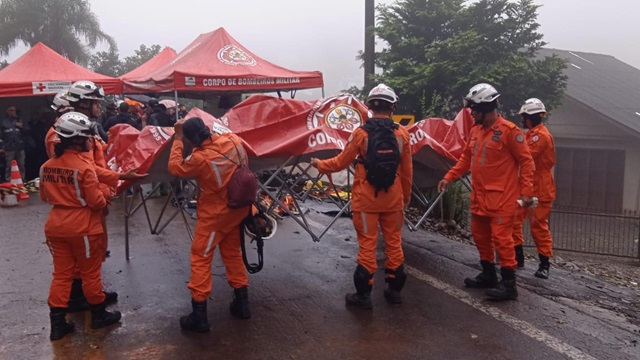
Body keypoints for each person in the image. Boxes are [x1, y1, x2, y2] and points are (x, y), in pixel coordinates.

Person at [45, 84, 147, 312]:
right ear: (83, 103)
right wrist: (99, 198)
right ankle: (86, 300)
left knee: (91, 255)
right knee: (85, 260)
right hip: (84, 205)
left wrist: (114, 181)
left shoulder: (84, 128)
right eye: (95, 103)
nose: (99, 107)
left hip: (91, 201)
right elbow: (78, 172)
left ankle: (88, 296)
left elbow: (91, 166)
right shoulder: (66, 132)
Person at [310, 84, 413, 309]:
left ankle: (364, 296)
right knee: (394, 243)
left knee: (367, 246)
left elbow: (340, 162)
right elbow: (407, 172)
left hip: (366, 201)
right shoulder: (402, 134)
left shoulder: (361, 134)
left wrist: (320, 165)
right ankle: (394, 291)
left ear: (370, 106)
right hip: (393, 199)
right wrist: (405, 197)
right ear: (392, 106)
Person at [437, 83, 535, 301]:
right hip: (480, 197)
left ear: (486, 108)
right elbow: (465, 158)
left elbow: (527, 163)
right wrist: (449, 177)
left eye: (474, 109)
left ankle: (509, 284)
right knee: (480, 237)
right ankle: (489, 273)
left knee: (503, 240)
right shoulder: (476, 131)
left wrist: (527, 192)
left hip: (502, 198)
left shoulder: (510, 132)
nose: (471, 114)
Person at [40, 112, 121, 340]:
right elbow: (96, 202)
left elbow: (46, 197)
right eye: (89, 137)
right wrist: (106, 193)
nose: (92, 140)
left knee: (62, 275)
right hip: (83, 226)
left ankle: (57, 324)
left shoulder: (46, 166)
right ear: (78, 140)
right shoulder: (84, 168)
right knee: (90, 273)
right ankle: (98, 316)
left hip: (55, 225)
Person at [168, 117, 253, 332]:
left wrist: (177, 140)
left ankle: (199, 316)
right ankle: (242, 304)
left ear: (190, 140)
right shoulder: (233, 140)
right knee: (233, 254)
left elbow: (175, 167)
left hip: (215, 217)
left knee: (200, 258)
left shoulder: (200, 158)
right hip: (237, 211)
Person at [512, 98, 556, 279]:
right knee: (514, 221)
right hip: (525, 185)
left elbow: (526, 156)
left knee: (538, 227)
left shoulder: (541, 136)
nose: (523, 120)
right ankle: (517, 257)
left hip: (540, 188)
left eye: (525, 116)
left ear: (532, 117)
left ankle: (544, 264)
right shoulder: (530, 134)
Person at [1, 105, 29, 181]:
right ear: (7, 111)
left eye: (14, 110)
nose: (13, 112)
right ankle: (8, 180)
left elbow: (28, 131)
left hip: (20, 146)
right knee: (9, 165)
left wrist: (21, 126)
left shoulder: (20, 120)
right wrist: (1, 147)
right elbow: (1, 136)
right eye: (11, 110)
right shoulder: (3, 122)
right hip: (8, 147)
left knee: (21, 164)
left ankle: (22, 180)